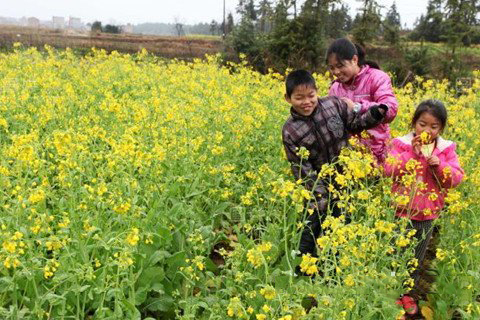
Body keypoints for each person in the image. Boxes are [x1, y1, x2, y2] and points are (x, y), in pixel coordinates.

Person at [282, 69, 388, 267]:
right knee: (312, 224)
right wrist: (319, 195)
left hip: (343, 179)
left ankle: (333, 267)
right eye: (299, 98)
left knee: (341, 225)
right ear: (288, 99)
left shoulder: (333, 104)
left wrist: (374, 115)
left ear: (317, 92)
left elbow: (354, 125)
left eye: (311, 96)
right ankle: (303, 265)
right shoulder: (290, 130)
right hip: (317, 186)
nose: (306, 102)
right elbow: (301, 167)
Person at [383, 99, 464, 316]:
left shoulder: (445, 150)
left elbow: (455, 179)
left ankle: (408, 293)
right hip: (400, 211)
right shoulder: (401, 144)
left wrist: (440, 165)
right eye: (422, 124)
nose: (427, 130)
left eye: (433, 126)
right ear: (413, 123)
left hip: (427, 214)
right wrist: (413, 155)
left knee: (416, 256)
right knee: (394, 252)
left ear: (441, 128)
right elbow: (389, 169)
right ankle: (391, 292)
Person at [327, 38, 398, 163]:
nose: (336, 72)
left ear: (354, 60)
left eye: (340, 66)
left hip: (378, 153)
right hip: (349, 158)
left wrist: (357, 107)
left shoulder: (377, 77)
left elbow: (390, 108)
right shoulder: (335, 88)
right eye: (332, 68)